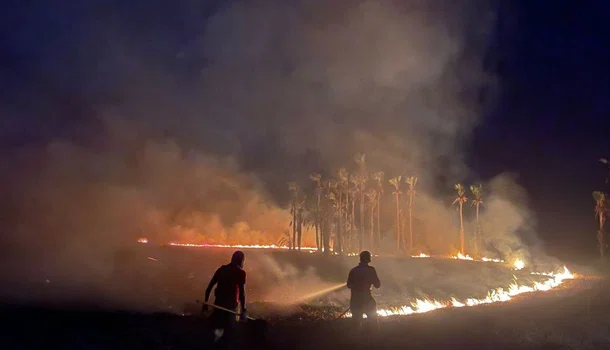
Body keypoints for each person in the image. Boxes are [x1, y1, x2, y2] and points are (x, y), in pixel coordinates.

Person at [202, 250, 248, 348]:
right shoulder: (240, 273)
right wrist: (244, 310)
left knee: (215, 334)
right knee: (229, 338)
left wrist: (205, 304)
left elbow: (208, 288)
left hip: (218, 307)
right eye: (243, 261)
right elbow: (242, 294)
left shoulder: (221, 270)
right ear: (241, 261)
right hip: (230, 310)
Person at [346, 250, 381, 332]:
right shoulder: (371, 270)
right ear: (368, 259)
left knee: (356, 323)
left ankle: (355, 340)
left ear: (360, 259)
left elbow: (349, 285)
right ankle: (374, 339)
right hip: (367, 298)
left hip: (355, 299)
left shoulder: (353, 270)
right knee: (373, 321)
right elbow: (377, 285)